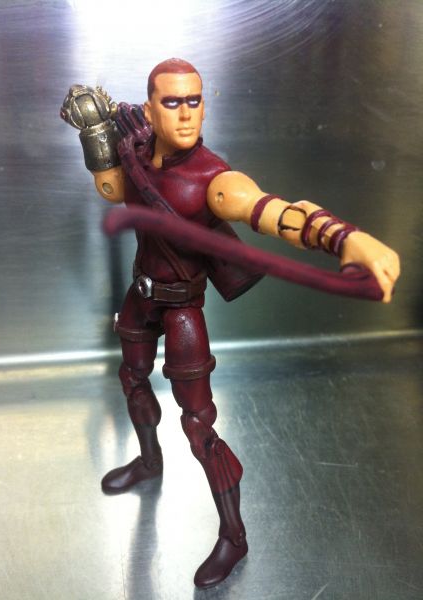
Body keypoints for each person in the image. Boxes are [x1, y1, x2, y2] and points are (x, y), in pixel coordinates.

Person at [61, 58, 400, 589]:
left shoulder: (213, 179)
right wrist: (96, 136)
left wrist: (344, 238)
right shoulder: (136, 151)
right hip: (141, 294)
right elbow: (112, 190)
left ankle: (234, 535)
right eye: (172, 102)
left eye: (194, 100)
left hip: (183, 310)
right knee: (131, 378)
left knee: (199, 426)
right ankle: (149, 461)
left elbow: (273, 212)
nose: (185, 113)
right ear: (149, 109)